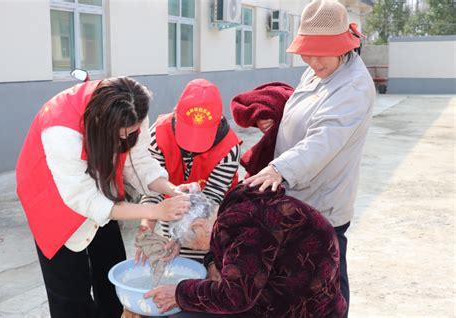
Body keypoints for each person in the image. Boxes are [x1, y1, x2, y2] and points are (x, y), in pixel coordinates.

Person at [15, 77, 190, 318]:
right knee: (70, 298)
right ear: (100, 122)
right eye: (122, 134)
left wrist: (172, 189)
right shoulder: (60, 129)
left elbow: (138, 163)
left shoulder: (133, 106)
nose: (126, 139)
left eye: (132, 131)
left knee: (111, 279)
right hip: (53, 197)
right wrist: (154, 212)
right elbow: (84, 199)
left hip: (99, 188)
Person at [242, 1, 376, 316]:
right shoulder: (320, 70)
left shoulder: (352, 88)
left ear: (343, 47)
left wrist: (278, 168)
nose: (312, 60)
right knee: (299, 278)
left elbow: (323, 141)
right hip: (298, 195)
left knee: (328, 281)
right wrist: (276, 119)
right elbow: (304, 111)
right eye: (307, 51)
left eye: (320, 52)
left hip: (324, 202)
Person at [145, 184, 347, 317]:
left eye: (194, 245)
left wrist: (179, 292)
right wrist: (211, 261)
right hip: (306, 281)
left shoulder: (241, 229)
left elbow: (236, 297)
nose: (198, 249)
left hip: (304, 305)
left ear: (198, 225)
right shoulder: (234, 210)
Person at [137, 78, 241, 264]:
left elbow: (209, 204)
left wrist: (181, 239)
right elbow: (153, 189)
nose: (193, 148)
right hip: (172, 209)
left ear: (217, 123)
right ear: (176, 114)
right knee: (173, 260)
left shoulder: (229, 149)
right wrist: (146, 229)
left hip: (210, 217)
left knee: (204, 264)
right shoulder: (158, 135)